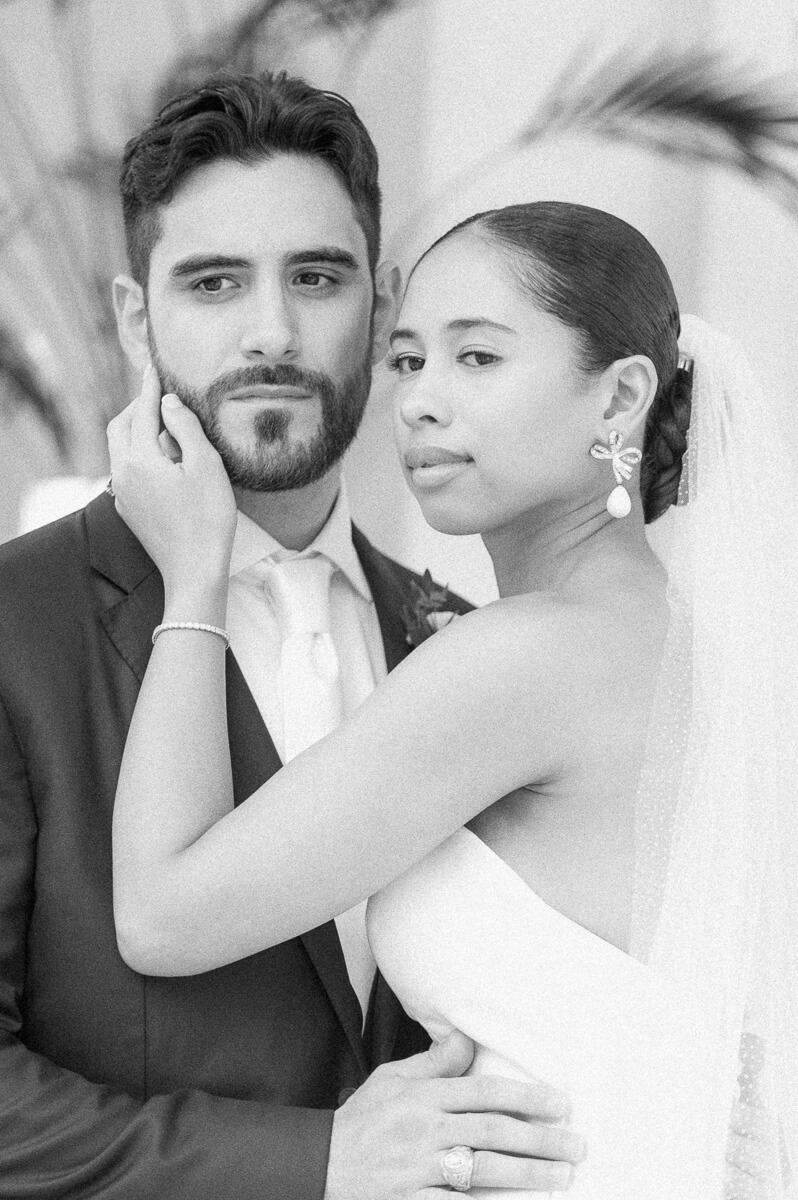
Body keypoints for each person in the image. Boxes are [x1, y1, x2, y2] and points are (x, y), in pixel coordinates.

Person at [109, 199, 798, 1198]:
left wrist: (192, 576)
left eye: (477, 359)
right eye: (407, 360)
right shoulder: (681, 645)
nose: (422, 402)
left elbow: (166, 914)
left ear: (622, 397)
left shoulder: (527, 658)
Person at [0, 77, 586, 1199]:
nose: (271, 332)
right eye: (213, 283)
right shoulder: (17, 630)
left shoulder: (467, 643)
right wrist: (313, 1162)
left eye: (316, 278)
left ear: (383, 299)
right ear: (136, 317)